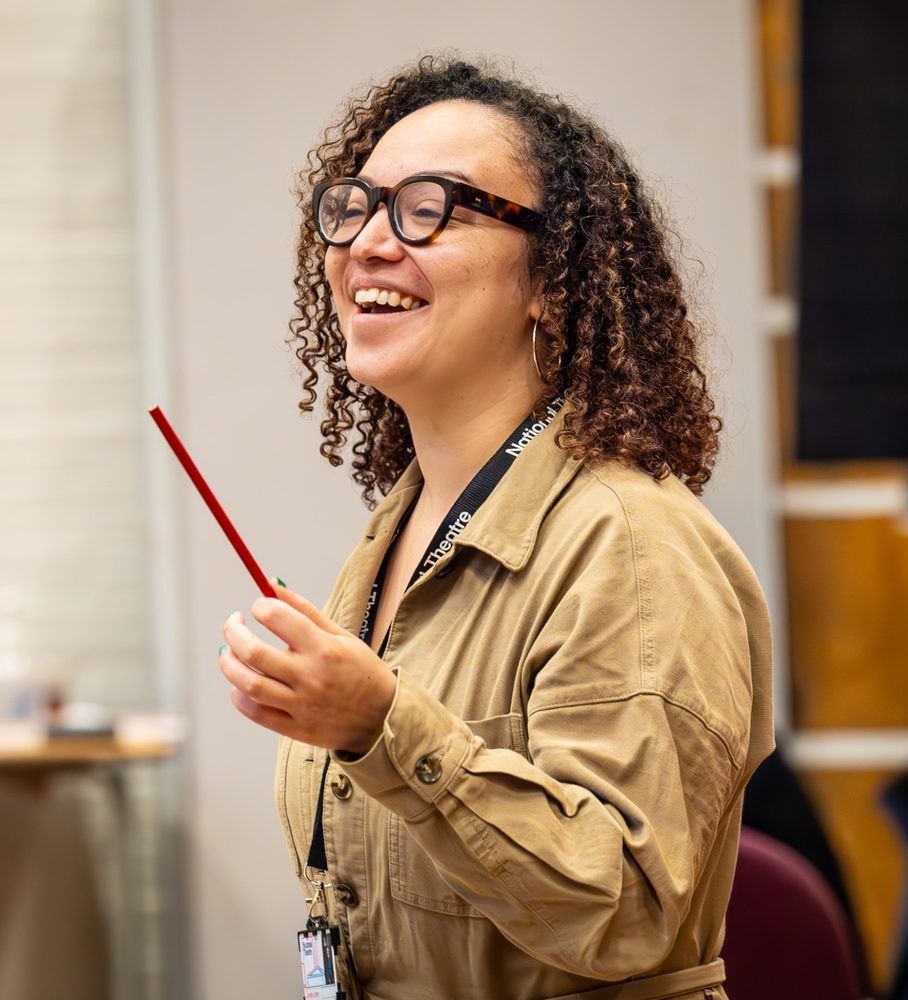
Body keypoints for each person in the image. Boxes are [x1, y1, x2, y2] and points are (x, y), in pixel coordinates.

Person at [217, 56, 773, 1000]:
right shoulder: (401, 531)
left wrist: (382, 725)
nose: (369, 245)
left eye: (431, 208)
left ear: (552, 281)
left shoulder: (629, 544)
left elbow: (626, 910)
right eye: (355, 207)